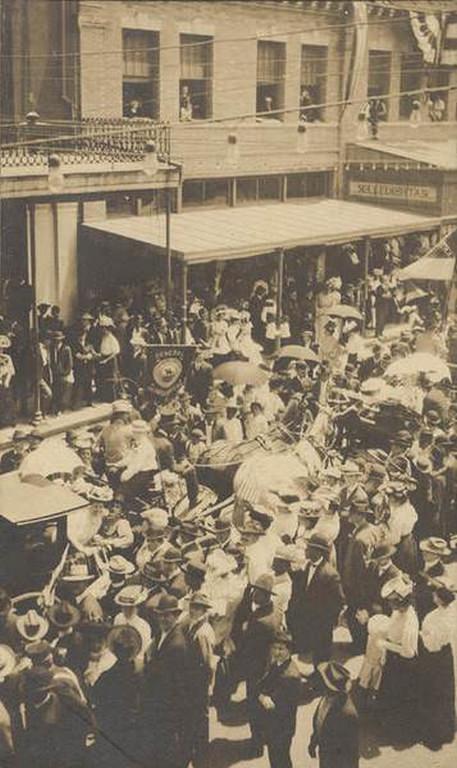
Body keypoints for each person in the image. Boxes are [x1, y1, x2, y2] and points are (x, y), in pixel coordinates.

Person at [231, 573, 282, 756]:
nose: (253, 594)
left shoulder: (259, 622)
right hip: (270, 666)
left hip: (257, 670)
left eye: (258, 592)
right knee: (264, 707)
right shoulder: (275, 611)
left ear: (266, 595)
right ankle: (263, 738)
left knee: (255, 708)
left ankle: (257, 745)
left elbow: (248, 648)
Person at [142, 594, 194, 768]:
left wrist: (149, 662)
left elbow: (169, 682)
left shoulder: (176, 644)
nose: (163, 619)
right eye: (160, 615)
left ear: (176, 615)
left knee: (167, 752)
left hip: (168, 707)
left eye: (167, 615)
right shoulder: (164, 634)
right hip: (163, 705)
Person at [287, 532, 344, 666]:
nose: (305, 550)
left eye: (309, 548)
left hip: (322, 625)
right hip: (307, 621)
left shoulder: (331, 575)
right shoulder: (307, 566)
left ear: (317, 552)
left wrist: (327, 621)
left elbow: (338, 601)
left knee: (321, 659)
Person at [377, 576, 420, 743]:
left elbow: (408, 652)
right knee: (390, 694)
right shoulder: (397, 612)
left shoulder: (410, 620)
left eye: (392, 602)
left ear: (402, 601)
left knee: (401, 697)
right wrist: (385, 654)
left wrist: (385, 645)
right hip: (394, 660)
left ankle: (401, 733)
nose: (390, 605)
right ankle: (388, 724)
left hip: (404, 665)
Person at [92, 625, 143, 768]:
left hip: (113, 732)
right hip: (135, 730)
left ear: (114, 650)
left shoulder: (106, 677)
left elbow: (96, 699)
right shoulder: (142, 673)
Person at [255, 629, 303, 768]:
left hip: (281, 727)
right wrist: (262, 695)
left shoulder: (290, 676)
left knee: (280, 759)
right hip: (274, 724)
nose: (277, 652)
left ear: (289, 650)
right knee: (276, 758)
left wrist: (262, 697)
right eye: (274, 648)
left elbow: (273, 704)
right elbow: (262, 685)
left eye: (281, 649)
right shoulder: (276, 664)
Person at [419, 577, 456, 750]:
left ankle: (437, 731)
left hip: (435, 657)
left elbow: (431, 645)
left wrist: (422, 635)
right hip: (447, 656)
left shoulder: (434, 618)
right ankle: (449, 726)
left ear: (439, 599)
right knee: (446, 691)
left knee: (435, 692)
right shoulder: (452, 612)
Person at [182, 591, 216, 768]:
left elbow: (208, 663)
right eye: (192, 606)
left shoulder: (203, 632)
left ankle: (201, 760)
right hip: (192, 683)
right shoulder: (193, 625)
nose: (193, 610)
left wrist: (208, 686)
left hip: (199, 685)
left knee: (200, 723)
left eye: (197, 607)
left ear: (204, 610)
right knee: (193, 721)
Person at [309, 661, 359, 768]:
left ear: (329, 687)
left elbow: (352, 753)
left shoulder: (348, 714)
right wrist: (313, 743)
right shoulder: (326, 698)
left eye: (322, 680)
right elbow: (319, 723)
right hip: (325, 757)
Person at [48, 330, 73, 414]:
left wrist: (65, 373)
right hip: (55, 373)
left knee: (62, 392)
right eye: (55, 340)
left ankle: (60, 409)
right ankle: (53, 408)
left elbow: (70, 363)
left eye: (58, 340)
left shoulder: (66, 349)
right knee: (55, 391)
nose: (56, 342)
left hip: (63, 374)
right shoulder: (52, 348)